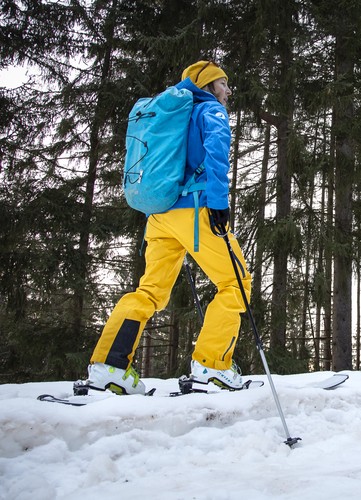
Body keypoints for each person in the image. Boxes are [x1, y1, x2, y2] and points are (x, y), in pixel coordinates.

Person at [80, 60, 251, 394]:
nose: (228, 91)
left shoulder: (173, 112)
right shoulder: (209, 111)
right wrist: (218, 204)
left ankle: (109, 367)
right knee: (235, 283)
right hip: (196, 211)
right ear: (207, 86)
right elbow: (216, 155)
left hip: (160, 215)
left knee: (149, 291)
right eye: (223, 83)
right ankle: (212, 368)